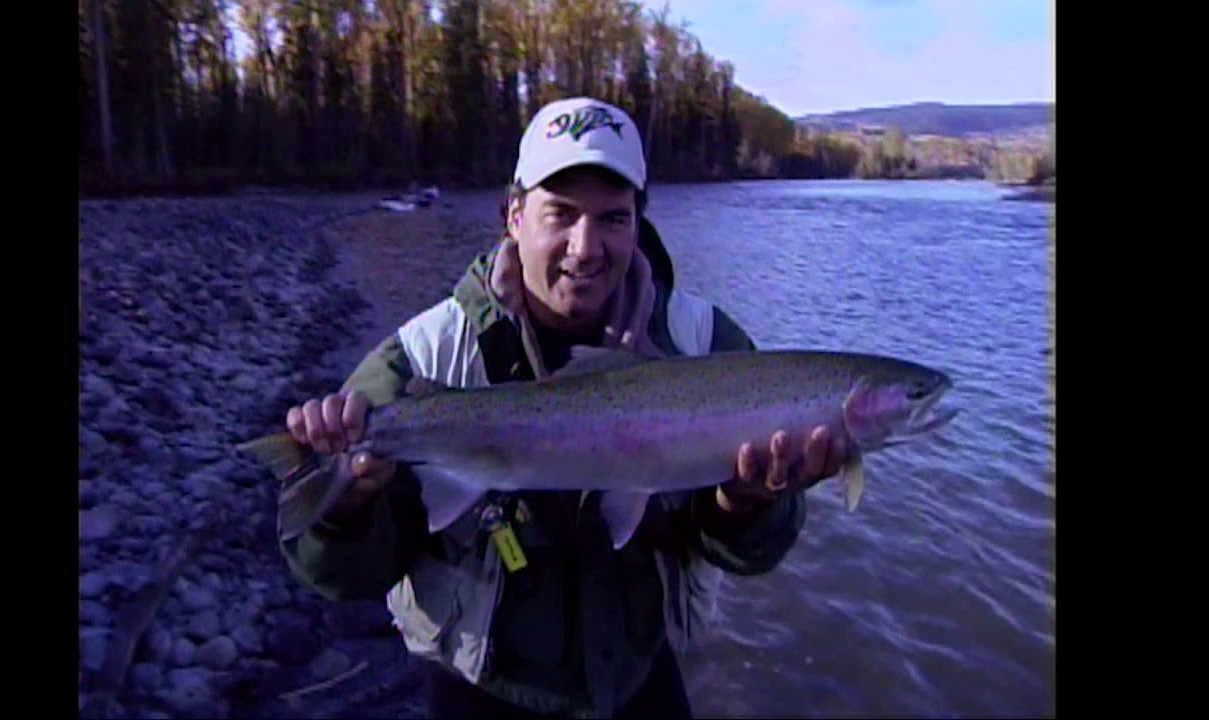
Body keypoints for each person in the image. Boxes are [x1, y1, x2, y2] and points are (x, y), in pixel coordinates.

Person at [277, 97, 848, 719]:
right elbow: (335, 574)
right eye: (561, 214)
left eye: (612, 219)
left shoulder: (706, 345)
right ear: (514, 216)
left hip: (636, 678)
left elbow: (753, 554)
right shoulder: (424, 357)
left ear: (638, 224)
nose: (585, 247)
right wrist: (347, 508)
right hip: (481, 687)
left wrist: (747, 505)